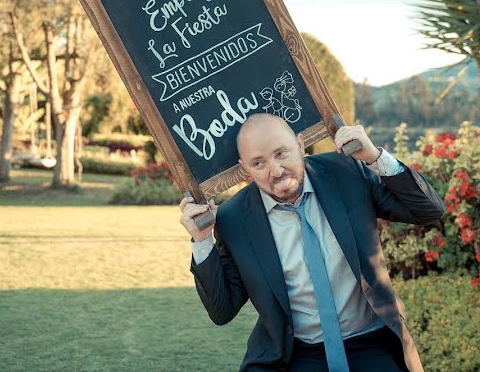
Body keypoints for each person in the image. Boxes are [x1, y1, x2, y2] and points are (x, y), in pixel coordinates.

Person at [179, 113, 445, 371]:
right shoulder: (233, 218)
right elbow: (221, 311)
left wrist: (374, 158)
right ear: (245, 168)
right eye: (258, 163)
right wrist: (202, 241)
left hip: (372, 340)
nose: (276, 170)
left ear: (300, 143)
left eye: (281, 153)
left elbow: (428, 210)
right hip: (295, 352)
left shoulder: (346, 172)